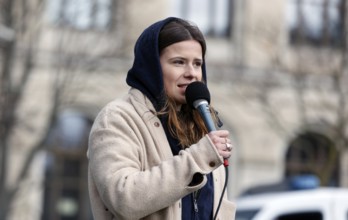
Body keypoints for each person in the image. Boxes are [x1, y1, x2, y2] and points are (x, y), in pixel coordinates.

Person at [87, 17, 236, 220]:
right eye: (179, 62)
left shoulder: (203, 126)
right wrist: (197, 158)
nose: (192, 73)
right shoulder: (117, 118)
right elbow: (123, 198)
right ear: (153, 67)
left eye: (197, 64)